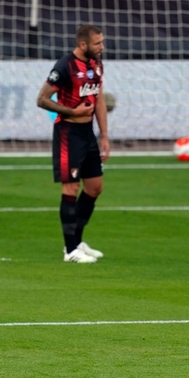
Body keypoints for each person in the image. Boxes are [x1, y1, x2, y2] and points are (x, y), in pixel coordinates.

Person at [36, 24, 110, 264]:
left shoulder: (96, 64)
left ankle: (77, 241)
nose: (102, 47)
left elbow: (98, 100)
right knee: (70, 189)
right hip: (68, 133)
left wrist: (104, 136)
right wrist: (72, 111)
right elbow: (42, 99)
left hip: (88, 134)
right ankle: (70, 250)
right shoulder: (65, 66)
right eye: (97, 43)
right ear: (82, 44)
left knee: (95, 188)